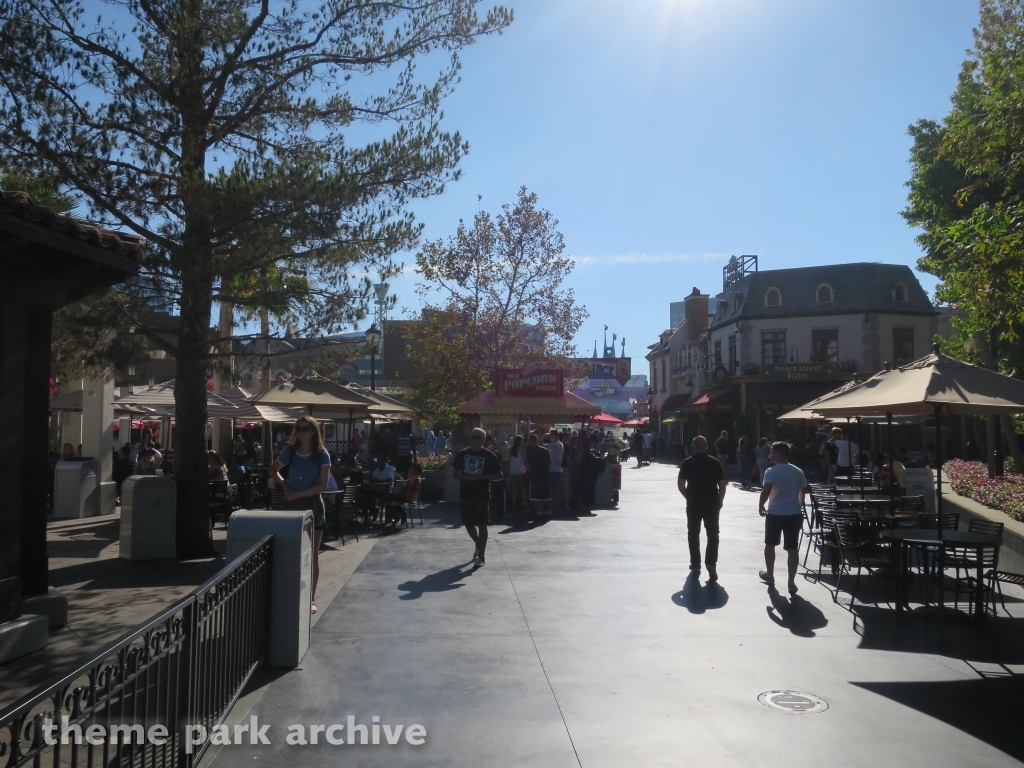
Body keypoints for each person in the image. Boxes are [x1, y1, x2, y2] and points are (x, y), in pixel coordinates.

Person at [270, 416, 331, 614]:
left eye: (306, 429)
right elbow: (273, 470)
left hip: (312, 504)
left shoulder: (322, 455)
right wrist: (285, 485)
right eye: (299, 429)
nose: (302, 433)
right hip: (292, 504)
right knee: (292, 552)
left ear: (314, 431)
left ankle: (311, 598)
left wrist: (298, 494)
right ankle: (291, 593)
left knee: (312, 553)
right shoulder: (291, 453)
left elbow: (323, 486)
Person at [758, 441, 807, 594]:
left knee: (770, 544)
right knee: (792, 548)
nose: (770, 454)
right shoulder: (798, 471)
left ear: (778, 454)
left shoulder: (771, 472)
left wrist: (761, 505)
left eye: (772, 451)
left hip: (775, 513)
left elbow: (766, 491)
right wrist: (798, 505)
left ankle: (770, 574)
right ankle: (791, 582)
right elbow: (802, 492)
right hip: (793, 514)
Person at [677, 435, 727, 581]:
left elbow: (680, 485)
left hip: (694, 502)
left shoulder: (687, 463)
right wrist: (720, 500)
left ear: (693, 447)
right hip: (712, 501)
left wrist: (689, 496)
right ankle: (711, 563)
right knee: (713, 534)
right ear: (706, 447)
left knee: (693, 533)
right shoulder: (715, 462)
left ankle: (695, 563)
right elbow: (722, 485)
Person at [451, 428, 502, 565]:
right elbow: (454, 474)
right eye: (471, 436)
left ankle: (481, 555)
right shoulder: (463, 454)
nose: (471, 439)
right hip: (467, 493)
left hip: (482, 493)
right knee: (468, 523)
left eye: (474, 437)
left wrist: (484, 477)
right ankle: (479, 545)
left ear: (481, 440)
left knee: (482, 523)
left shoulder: (489, 455)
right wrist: (464, 477)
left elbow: (500, 475)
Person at [525, 433, 552, 519]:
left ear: (531, 441)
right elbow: (550, 462)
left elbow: (528, 464)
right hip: (545, 475)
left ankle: (538, 512)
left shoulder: (531, 451)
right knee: (547, 496)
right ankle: (549, 511)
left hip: (535, 475)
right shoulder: (545, 450)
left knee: (536, 496)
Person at [546, 429, 565, 515]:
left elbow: (539, 445)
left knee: (554, 490)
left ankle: (555, 507)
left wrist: (543, 437)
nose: (549, 436)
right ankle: (558, 507)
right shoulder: (560, 444)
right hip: (558, 469)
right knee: (557, 489)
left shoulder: (553, 445)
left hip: (553, 469)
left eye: (550, 435)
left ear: (554, 436)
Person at [508, 435, 527, 514]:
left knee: (514, 490)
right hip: (520, 470)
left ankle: (514, 507)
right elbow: (524, 459)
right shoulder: (521, 448)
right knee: (522, 489)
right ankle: (526, 507)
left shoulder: (512, 448)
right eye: (522, 440)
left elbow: (509, 460)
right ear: (519, 441)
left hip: (512, 471)